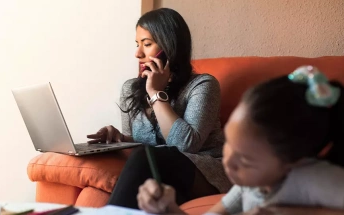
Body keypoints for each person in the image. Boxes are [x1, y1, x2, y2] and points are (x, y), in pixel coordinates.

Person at [137, 66, 344, 214]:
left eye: (245, 160)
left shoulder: (310, 178)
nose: (228, 162)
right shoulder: (250, 185)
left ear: (294, 161)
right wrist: (169, 209)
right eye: (228, 145)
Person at [86, 8, 232, 209]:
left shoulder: (203, 85)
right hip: (157, 177)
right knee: (99, 187)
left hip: (204, 177)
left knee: (148, 155)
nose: (138, 53)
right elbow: (136, 147)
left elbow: (184, 145)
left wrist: (155, 93)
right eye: (137, 44)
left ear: (168, 47)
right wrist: (120, 139)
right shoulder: (130, 88)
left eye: (146, 44)